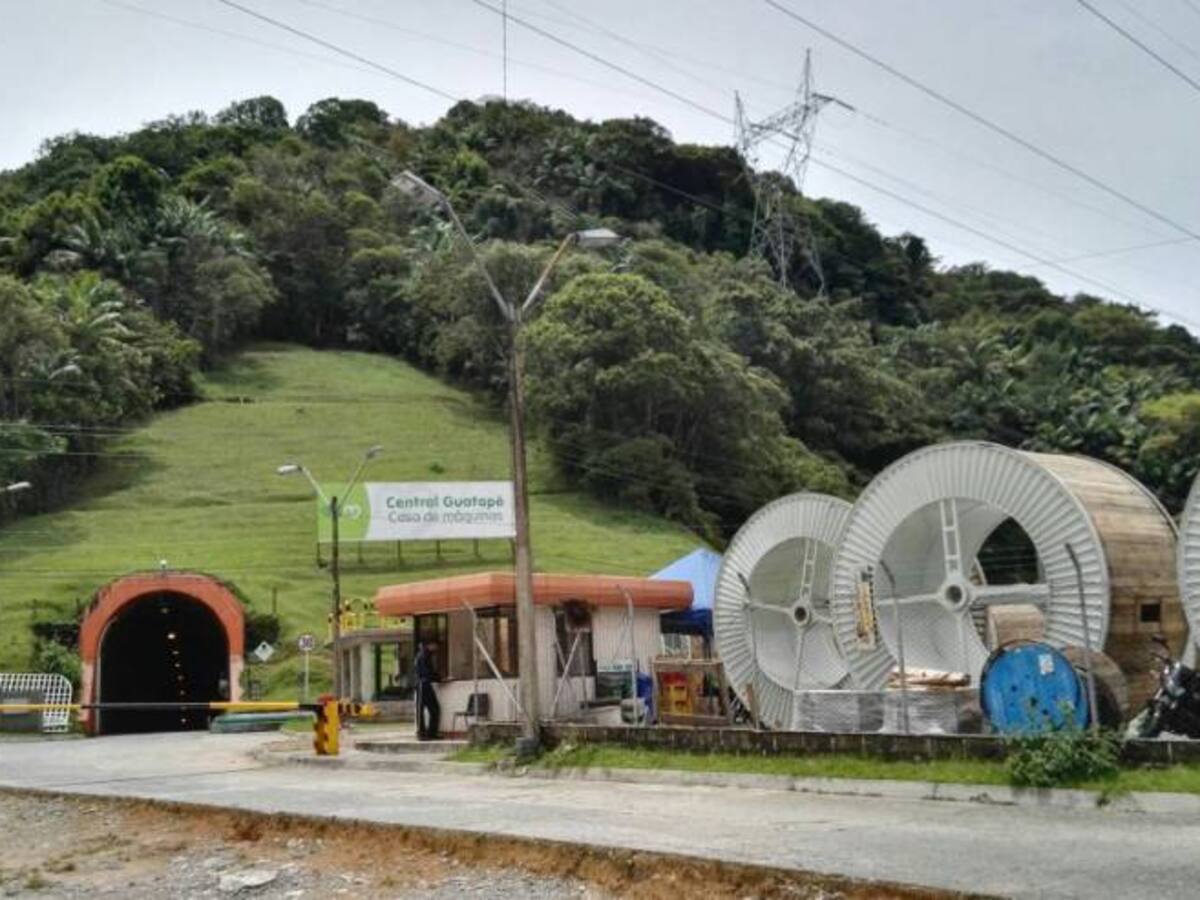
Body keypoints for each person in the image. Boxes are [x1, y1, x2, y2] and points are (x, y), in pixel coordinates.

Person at [414, 641, 441, 740]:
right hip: (423, 684)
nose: (436, 648)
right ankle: (423, 733)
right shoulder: (423, 655)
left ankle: (429, 733)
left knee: (433, 709)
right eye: (435, 645)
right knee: (425, 709)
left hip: (424, 684)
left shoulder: (424, 654)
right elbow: (428, 672)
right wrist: (439, 679)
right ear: (430, 645)